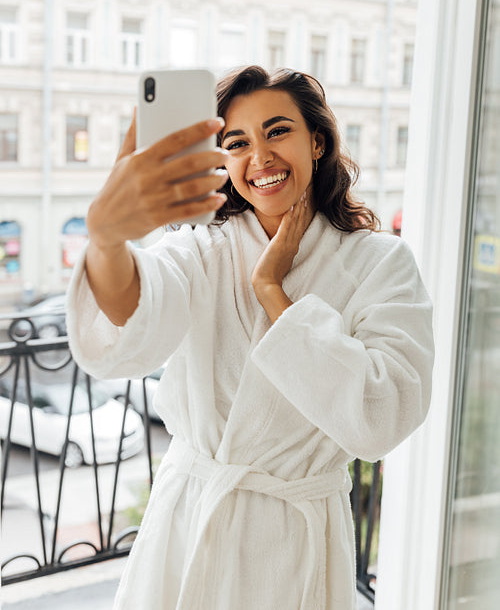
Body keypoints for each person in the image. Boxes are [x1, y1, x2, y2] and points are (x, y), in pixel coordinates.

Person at [66, 65, 434, 610]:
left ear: (318, 141)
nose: (259, 156)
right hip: (192, 521)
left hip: (295, 542)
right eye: (236, 142)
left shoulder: (380, 263)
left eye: (277, 131)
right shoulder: (201, 249)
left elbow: (380, 417)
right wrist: (107, 240)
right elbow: (131, 317)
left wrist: (272, 291)